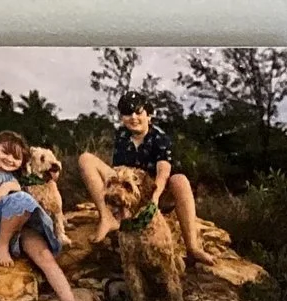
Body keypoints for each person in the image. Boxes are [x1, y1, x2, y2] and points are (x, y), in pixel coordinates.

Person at [0, 131, 92, 301]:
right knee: (22, 198)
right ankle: (1, 245)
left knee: (45, 257)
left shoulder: (20, 173)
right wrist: (5, 188)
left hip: (20, 227)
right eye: (5, 152)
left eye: (16, 157)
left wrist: (53, 171)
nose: (10, 160)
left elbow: (43, 169)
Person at [77, 93, 207, 257]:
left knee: (179, 180)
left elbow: (163, 171)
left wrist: (155, 196)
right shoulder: (122, 136)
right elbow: (118, 169)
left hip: (154, 191)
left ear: (149, 115)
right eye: (127, 113)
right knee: (86, 159)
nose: (133, 117)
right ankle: (108, 217)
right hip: (128, 188)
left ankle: (192, 247)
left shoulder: (159, 137)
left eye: (138, 112)